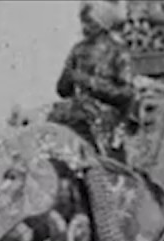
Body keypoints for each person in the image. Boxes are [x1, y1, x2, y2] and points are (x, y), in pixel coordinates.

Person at [51, 0, 135, 159]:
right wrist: (68, 77)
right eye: (83, 21)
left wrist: (91, 83)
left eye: (89, 21)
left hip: (104, 115)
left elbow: (127, 93)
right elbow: (62, 90)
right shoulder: (78, 50)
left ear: (101, 22)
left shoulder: (118, 52)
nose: (84, 26)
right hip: (76, 109)